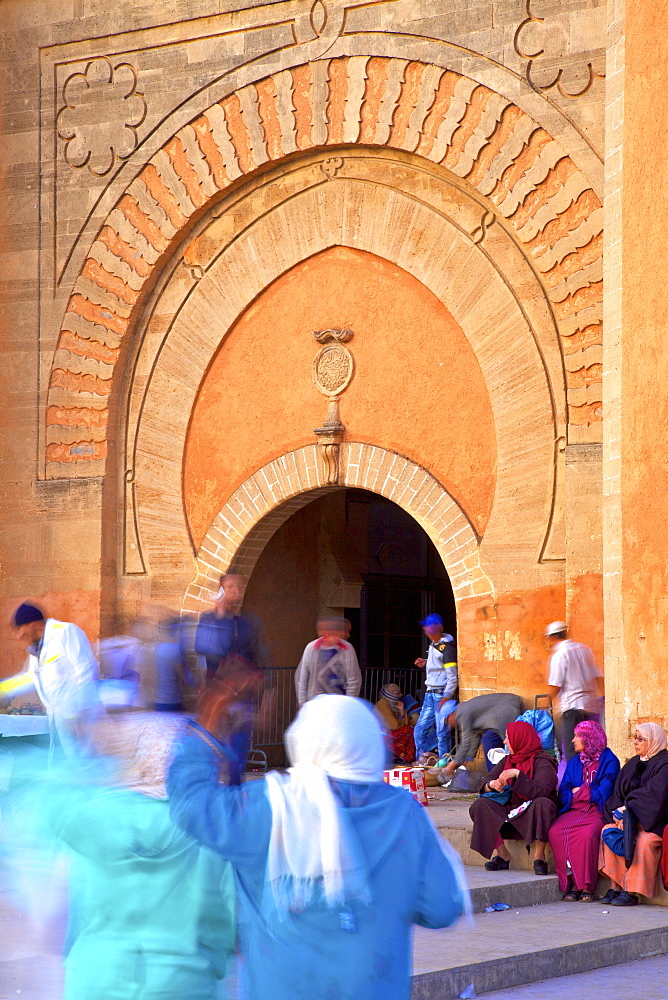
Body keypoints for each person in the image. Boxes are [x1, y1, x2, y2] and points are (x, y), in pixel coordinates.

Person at [168, 693, 469, 1000]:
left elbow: (191, 805)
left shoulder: (270, 805)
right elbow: (441, 909)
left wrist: (206, 728)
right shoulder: (405, 814)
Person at [5, 712, 236, 1000]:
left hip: (94, 981)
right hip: (183, 984)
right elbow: (230, 929)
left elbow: (41, 793)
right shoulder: (211, 835)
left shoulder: (86, 819)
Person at [1, 603, 101, 752]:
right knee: (68, 764)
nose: (18, 636)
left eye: (19, 629)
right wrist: (3, 688)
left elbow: (86, 670)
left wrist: (78, 713)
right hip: (58, 719)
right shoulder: (36, 650)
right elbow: (29, 678)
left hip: (79, 718)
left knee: (86, 763)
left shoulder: (66, 632)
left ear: (32, 624)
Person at [469, 720, 558, 875]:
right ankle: (503, 855)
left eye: (508, 738)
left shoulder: (543, 761)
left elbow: (542, 790)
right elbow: (482, 783)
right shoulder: (507, 760)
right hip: (512, 809)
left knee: (543, 804)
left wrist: (517, 775)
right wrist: (492, 784)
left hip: (533, 812)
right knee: (481, 804)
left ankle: (539, 856)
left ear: (520, 739)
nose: (504, 741)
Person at [548, 721, 620, 901]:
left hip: (597, 811)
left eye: (577, 736)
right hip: (575, 810)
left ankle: (587, 886)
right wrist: (582, 793)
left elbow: (604, 792)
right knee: (555, 831)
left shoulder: (610, 761)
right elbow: (564, 790)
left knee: (587, 835)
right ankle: (572, 883)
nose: (573, 740)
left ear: (589, 738)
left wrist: (579, 791)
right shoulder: (574, 762)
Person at [599, 722, 668, 906]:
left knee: (643, 841)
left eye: (640, 739)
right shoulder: (633, 763)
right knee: (609, 830)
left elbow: (656, 797)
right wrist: (617, 814)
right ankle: (616, 886)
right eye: (635, 738)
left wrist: (630, 812)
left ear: (653, 740)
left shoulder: (665, 764)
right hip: (629, 818)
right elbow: (618, 793)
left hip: (653, 821)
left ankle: (632, 891)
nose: (635, 742)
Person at [194, 573, 270, 682]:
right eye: (230, 587)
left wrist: (269, 687)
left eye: (240, 587)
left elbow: (263, 655)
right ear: (221, 591)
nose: (236, 591)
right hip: (217, 688)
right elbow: (205, 655)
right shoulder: (208, 620)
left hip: (245, 689)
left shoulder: (251, 620)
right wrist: (220, 617)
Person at [545, 621, 602, 761]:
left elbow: (556, 685)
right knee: (591, 748)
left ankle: (575, 779)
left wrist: (546, 703)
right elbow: (598, 677)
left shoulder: (560, 655)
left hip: (572, 708)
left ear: (552, 637)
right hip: (590, 706)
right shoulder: (584, 649)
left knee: (572, 751)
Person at [439, 693, 524, 778]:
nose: (449, 724)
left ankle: (512, 775)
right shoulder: (463, 712)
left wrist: (451, 766)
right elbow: (473, 737)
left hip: (506, 708)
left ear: (451, 715)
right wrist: (465, 761)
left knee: (511, 743)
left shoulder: (461, 713)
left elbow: (466, 741)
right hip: (500, 714)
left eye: (447, 721)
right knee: (488, 739)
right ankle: (495, 776)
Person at [413, 613, 457, 763]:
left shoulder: (446, 647)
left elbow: (452, 676)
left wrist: (447, 696)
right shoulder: (435, 644)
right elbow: (441, 665)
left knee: (442, 733)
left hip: (440, 694)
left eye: (429, 626)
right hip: (430, 693)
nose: (425, 629)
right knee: (420, 730)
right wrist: (426, 662)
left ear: (438, 628)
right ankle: (422, 762)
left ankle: (443, 767)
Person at [296, 614, 362, 705]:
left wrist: (348, 705)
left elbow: (354, 681)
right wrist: (303, 704)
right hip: (315, 704)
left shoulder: (347, 649)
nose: (347, 634)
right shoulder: (311, 648)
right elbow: (302, 679)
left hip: (339, 704)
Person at [374, 683, 415, 764]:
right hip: (381, 735)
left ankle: (402, 756)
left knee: (410, 729)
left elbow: (404, 723)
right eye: (397, 693)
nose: (401, 695)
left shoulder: (392, 704)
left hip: (389, 732)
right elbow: (394, 726)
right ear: (389, 694)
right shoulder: (382, 705)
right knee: (408, 730)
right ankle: (402, 756)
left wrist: (401, 711)